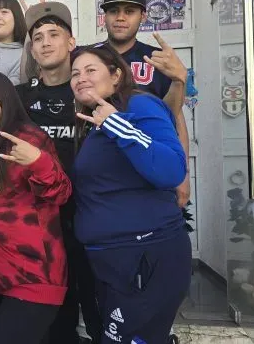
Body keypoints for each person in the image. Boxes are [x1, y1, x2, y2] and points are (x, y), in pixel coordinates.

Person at [71, 44, 191, 343]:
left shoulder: (139, 106)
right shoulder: (95, 119)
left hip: (145, 255)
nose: (80, 78)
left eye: (90, 70)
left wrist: (116, 124)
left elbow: (171, 169)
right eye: (74, 73)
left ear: (116, 75)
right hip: (114, 261)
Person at [0, 70, 72, 344]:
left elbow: (61, 192)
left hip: (32, 279)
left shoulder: (26, 139)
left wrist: (38, 161)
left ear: (7, 101)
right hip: (2, 279)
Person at [16, 2, 102, 344]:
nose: (46, 43)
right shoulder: (20, 98)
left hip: (91, 214)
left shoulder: (93, 95)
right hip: (42, 221)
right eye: (37, 38)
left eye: (54, 35)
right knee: (55, 309)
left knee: (98, 303)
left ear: (71, 42)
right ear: (32, 49)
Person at [98, 0, 191, 210]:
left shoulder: (158, 59)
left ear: (143, 16)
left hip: (149, 158)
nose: (120, 18)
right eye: (113, 11)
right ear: (105, 17)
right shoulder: (88, 57)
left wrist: (183, 174)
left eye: (129, 11)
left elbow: (174, 117)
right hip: (100, 161)